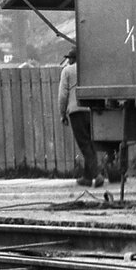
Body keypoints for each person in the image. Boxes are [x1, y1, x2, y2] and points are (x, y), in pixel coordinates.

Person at [57, 48, 101, 186]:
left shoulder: (67, 71)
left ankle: (96, 175)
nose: (68, 60)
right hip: (89, 109)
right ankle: (87, 178)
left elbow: (63, 94)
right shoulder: (87, 70)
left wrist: (62, 113)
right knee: (90, 143)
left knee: (84, 144)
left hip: (76, 111)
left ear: (72, 59)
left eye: (69, 58)